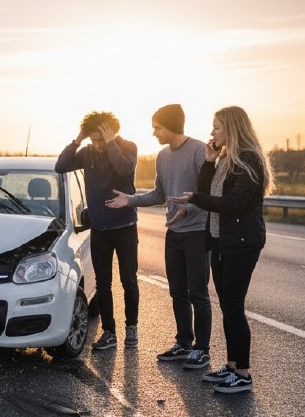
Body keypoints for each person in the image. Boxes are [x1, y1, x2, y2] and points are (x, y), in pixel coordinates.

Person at [169, 106, 274, 393]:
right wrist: (209, 161)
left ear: (232, 128)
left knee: (234, 308)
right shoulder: (226, 158)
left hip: (243, 243)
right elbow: (206, 190)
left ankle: (243, 374)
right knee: (227, 307)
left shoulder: (249, 159)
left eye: (217, 127)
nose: (212, 132)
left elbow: (233, 203)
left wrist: (195, 198)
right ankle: (231, 366)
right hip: (220, 241)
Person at [105, 104, 212, 369]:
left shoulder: (199, 151)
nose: (154, 133)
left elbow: (209, 196)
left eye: (158, 128)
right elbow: (160, 194)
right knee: (177, 292)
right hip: (173, 233)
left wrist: (188, 210)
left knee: (198, 293)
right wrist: (130, 199)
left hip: (198, 232)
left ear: (172, 126)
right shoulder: (162, 156)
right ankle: (183, 344)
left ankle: (202, 350)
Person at [55, 111, 139, 350]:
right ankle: (109, 332)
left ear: (112, 133)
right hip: (100, 229)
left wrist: (111, 143)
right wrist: (78, 140)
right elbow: (61, 166)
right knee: (103, 283)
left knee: (128, 280)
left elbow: (123, 169)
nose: (98, 145)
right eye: (94, 140)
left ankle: (131, 328)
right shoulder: (87, 152)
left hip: (125, 227)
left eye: (101, 139)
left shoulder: (128, 147)